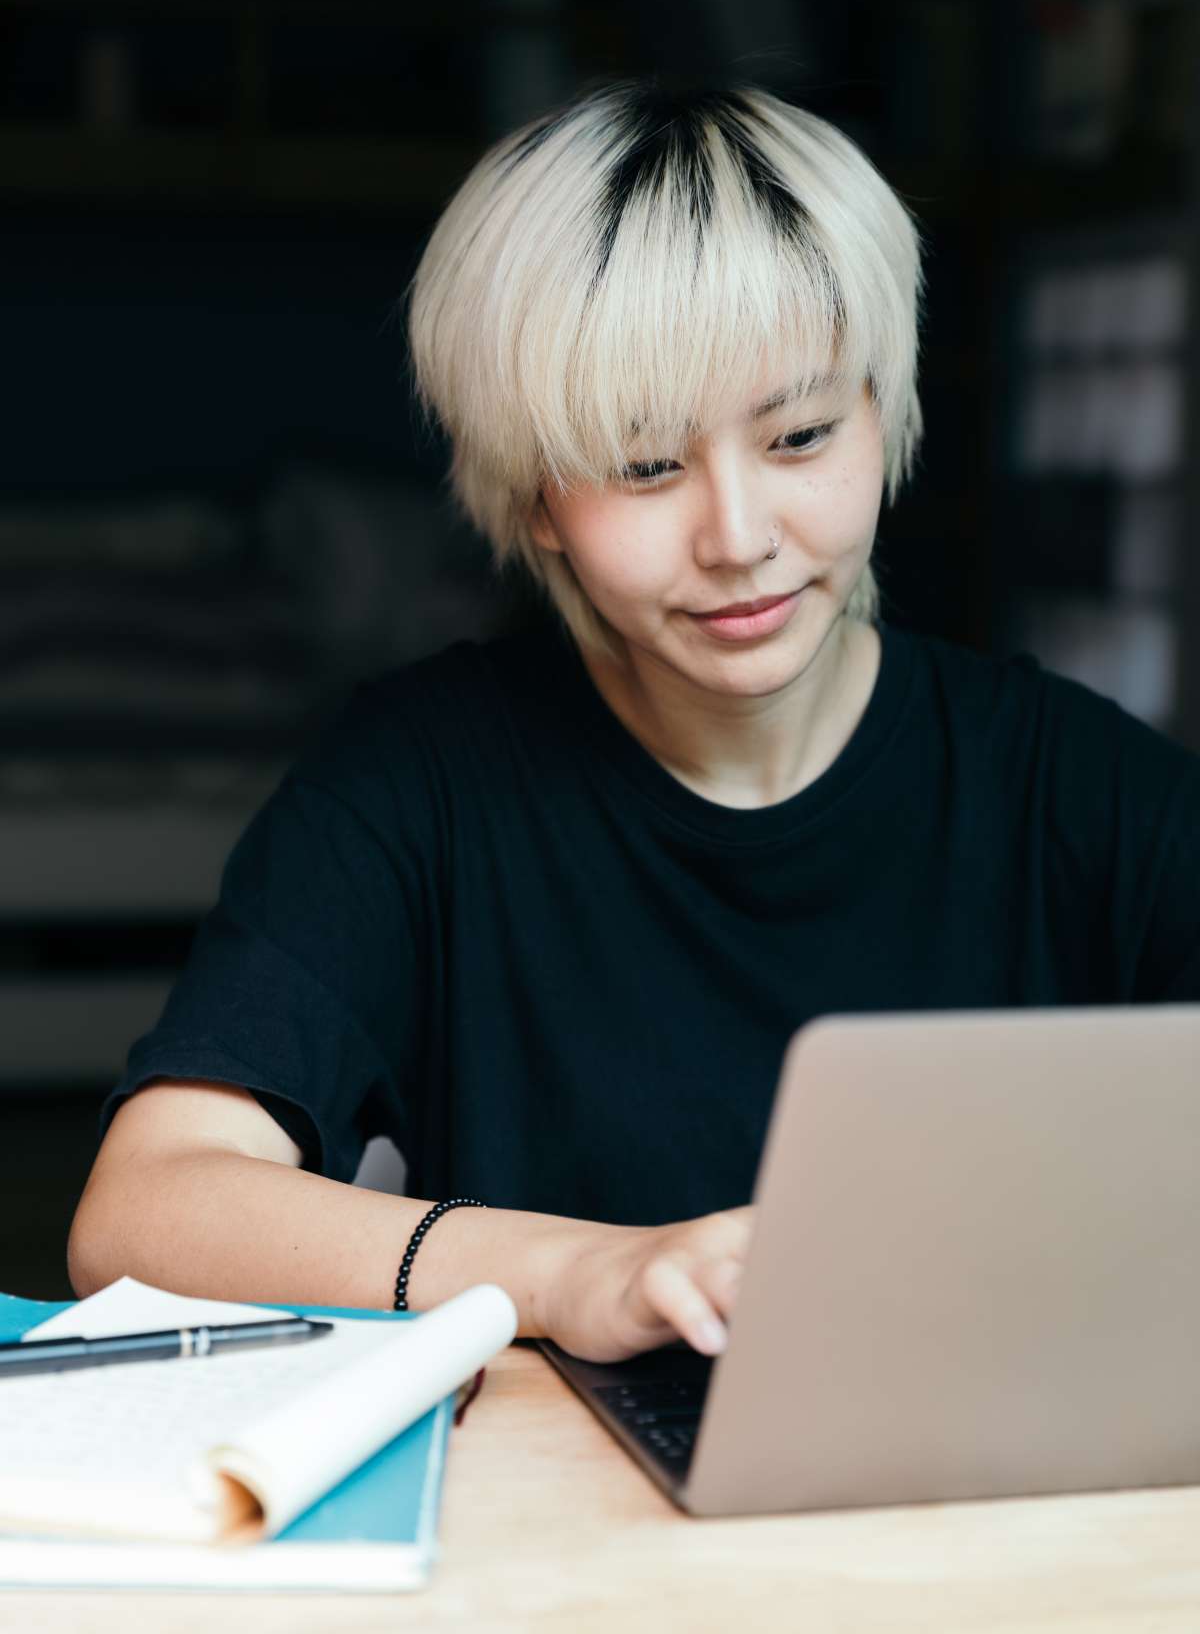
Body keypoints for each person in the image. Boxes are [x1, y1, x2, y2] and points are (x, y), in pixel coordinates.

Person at [67, 81, 1200, 1366]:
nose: (742, 539)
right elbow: (138, 1211)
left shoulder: (1075, 786)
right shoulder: (419, 784)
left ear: (884, 414)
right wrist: (574, 1273)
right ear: (536, 499)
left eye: (803, 434)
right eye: (648, 465)